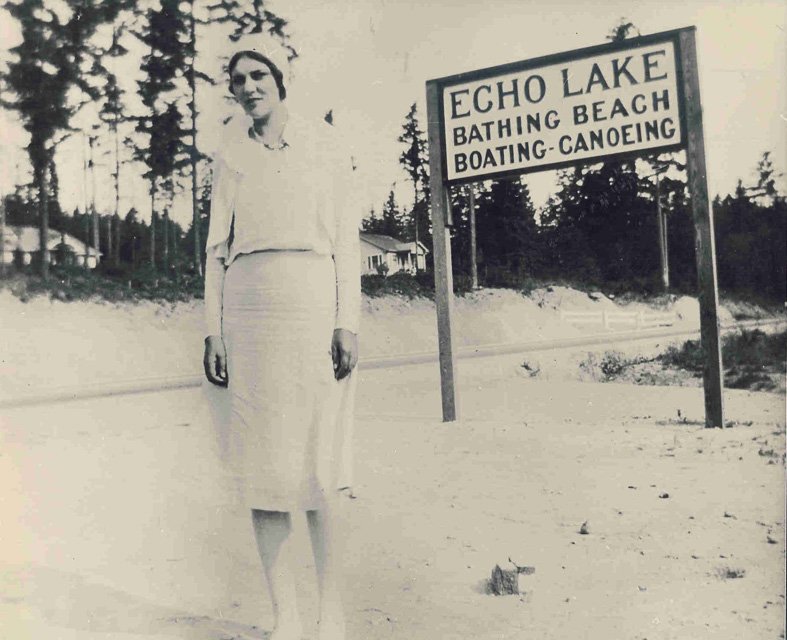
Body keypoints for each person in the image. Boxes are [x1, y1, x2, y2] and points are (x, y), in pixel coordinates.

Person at [202, 36, 360, 640]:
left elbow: (346, 242)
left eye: (258, 74)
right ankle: (285, 616)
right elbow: (217, 251)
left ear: (280, 77)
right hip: (248, 311)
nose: (247, 87)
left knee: (317, 465)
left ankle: (330, 610)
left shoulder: (325, 146)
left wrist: (348, 321)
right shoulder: (230, 154)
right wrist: (212, 328)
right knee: (263, 469)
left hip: (313, 306)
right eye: (237, 78)